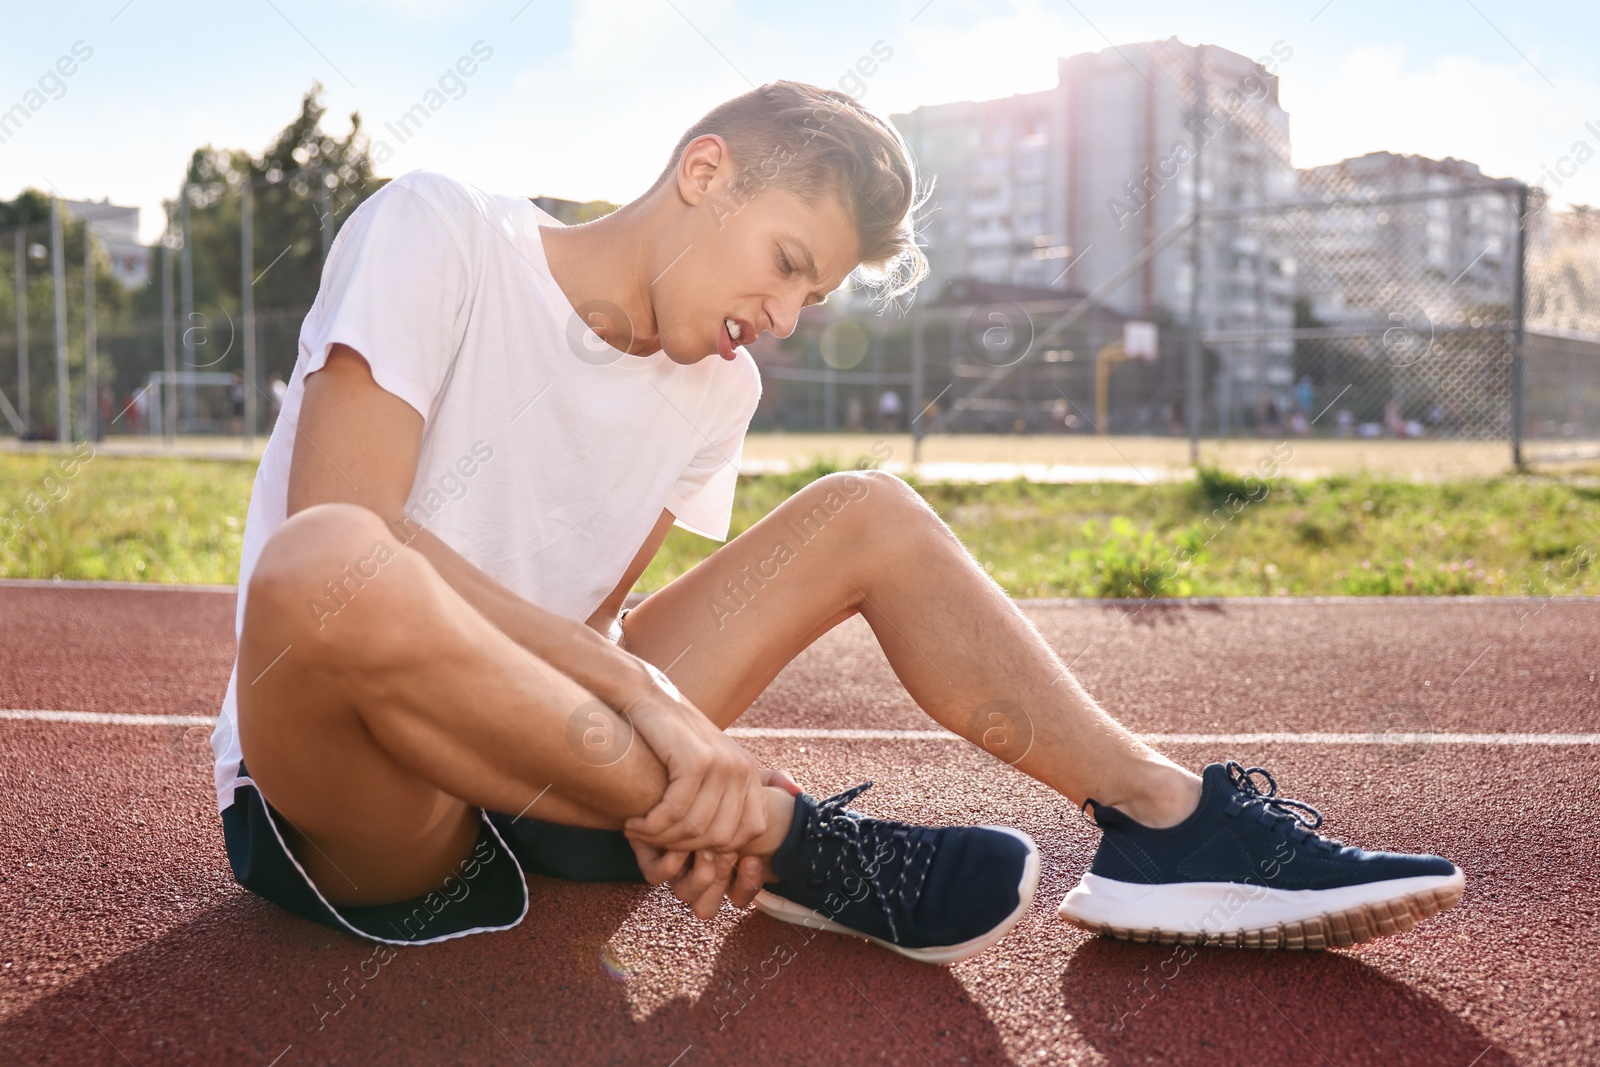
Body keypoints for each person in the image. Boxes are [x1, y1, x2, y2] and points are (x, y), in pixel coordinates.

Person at [212, 81, 1461, 961]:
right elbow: (345, 522)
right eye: (789, 257)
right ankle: (785, 834)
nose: (791, 311)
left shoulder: (720, 383)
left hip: (555, 771)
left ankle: (1166, 822)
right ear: (705, 173)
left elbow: (585, 617)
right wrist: (653, 707)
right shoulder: (438, 228)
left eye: (816, 289)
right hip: (366, 796)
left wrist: (638, 706)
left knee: (865, 508)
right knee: (326, 560)